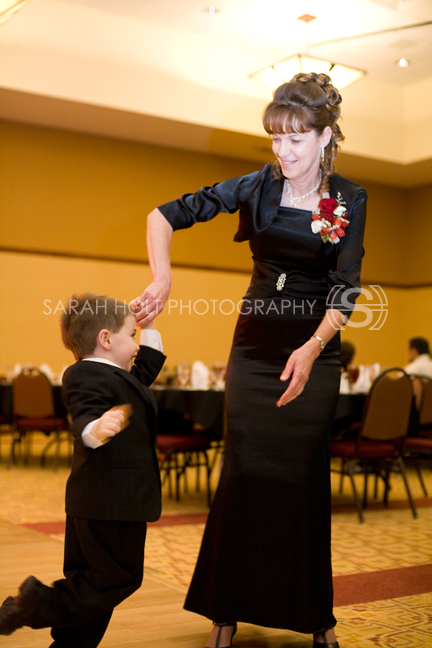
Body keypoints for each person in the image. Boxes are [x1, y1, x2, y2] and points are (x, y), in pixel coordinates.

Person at [134, 72, 367, 648]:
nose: (283, 151)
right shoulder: (258, 185)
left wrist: (313, 347)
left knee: (302, 477)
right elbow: (162, 215)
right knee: (242, 472)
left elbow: (346, 289)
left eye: (295, 139)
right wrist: (162, 279)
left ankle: (315, 615)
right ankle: (226, 609)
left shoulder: (350, 199)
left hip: (315, 349)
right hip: (255, 347)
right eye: (275, 138)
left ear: (325, 136)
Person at [0, 292, 166, 647]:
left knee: (90, 582)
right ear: (106, 339)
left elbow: (147, 368)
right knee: (118, 578)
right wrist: (95, 429)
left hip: (98, 500)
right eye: (131, 335)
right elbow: (84, 416)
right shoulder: (85, 374)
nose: (136, 345)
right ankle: (39, 603)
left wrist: (149, 324)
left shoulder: (118, 375)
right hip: (111, 502)